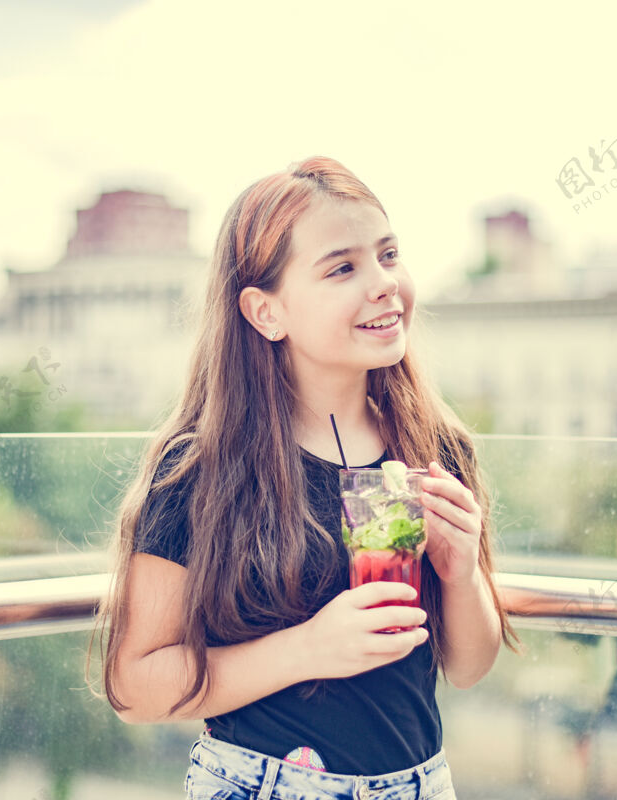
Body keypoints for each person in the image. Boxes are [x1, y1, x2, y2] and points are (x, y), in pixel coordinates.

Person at [94, 156, 518, 799]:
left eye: (388, 255)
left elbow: (466, 666)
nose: (383, 284)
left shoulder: (434, 448)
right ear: (266, 313)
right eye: (342, 267)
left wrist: (460, 576)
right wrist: (310, 649)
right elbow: (134, 685)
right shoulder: (202, 471)